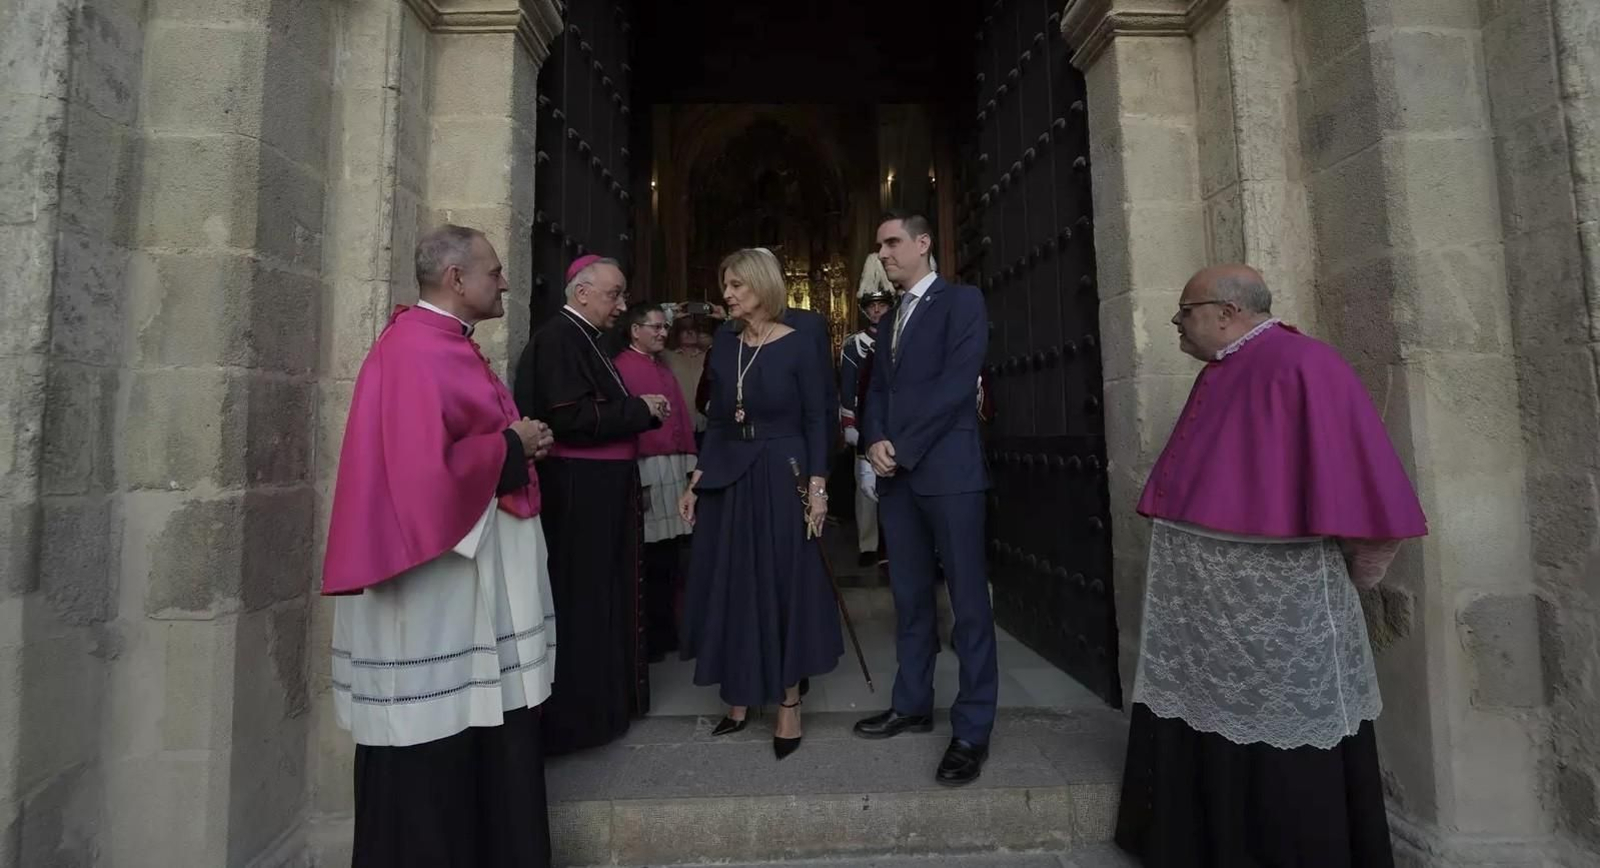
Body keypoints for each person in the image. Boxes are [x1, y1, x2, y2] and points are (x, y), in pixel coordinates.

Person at [1114, 264, 1427, 867]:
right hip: (1208, 624)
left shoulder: (1309, 365)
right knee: (1215, 722)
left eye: (1185, 311)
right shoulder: (1221, 371)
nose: (1177, 323)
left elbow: (1369, 501)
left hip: (1284, 612)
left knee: (1283, 736)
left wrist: (1357, 580)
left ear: (1227, 312)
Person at [322, 224, 557, 867]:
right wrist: (515, 445)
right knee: (432, 742)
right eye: (494, 271)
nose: (506, 281)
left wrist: (512, 440)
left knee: (481, 732)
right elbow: (422, 478)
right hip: (433, 592)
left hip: (468, 585)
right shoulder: (414, 351)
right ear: (456, 280)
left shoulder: (444, 343)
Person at [677, 247, 844, 761]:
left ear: (763, 286)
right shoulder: (726, 344)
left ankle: (789, 701)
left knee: (780, 580)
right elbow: (722, 420)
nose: (726, 295)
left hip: (783, 470)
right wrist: (696, 480)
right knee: (733, 580)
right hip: (731, 471)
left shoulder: (802, 340)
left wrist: (818, 489)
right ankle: (740, 695)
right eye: (725, 285)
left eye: (736, 286)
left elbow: (820, 417)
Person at [853, 212, 997, 787]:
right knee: (910, 600)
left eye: (891, 243)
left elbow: (958, 385)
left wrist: (902, 446)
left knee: (968, 605)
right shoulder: (888, 322)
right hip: (898, 480)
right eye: (880, 245)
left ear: (922, 243)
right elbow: (877, 393)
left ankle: (972, 730)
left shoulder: (962, 302)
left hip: (950, 474)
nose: (883, 253)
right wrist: (874, 443)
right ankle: (911, 702)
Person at [513, 254, 671, 755]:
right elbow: (574, 416)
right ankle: (581, 720)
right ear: (582, 293)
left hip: (600, 488)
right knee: (583, 602)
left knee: (603, 598)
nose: (622, 305)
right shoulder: (560, 338)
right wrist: (639, 409)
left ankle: (606, 709)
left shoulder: (585, 339)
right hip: (580, 490)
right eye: (614, 294)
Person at [614, 304, 698, 662]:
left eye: (665, 328)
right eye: (656, 327)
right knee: (648, 555)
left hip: (673, 465)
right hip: (646, 465)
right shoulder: (621, 366)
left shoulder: (661, 366)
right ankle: (649, 634)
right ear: (635, 330)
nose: (664, 333)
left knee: (670, 554)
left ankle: (667, 628)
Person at [839, 253, 896, 569]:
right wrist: (849, 422)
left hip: (892, 421)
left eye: (882, 305)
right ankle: (868, 544)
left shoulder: (898, 338)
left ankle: (892, 542)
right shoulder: (854, 343)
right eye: (872, 306)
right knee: (865, 485)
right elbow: (847, 387)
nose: (877, 311)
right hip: (863, 421)